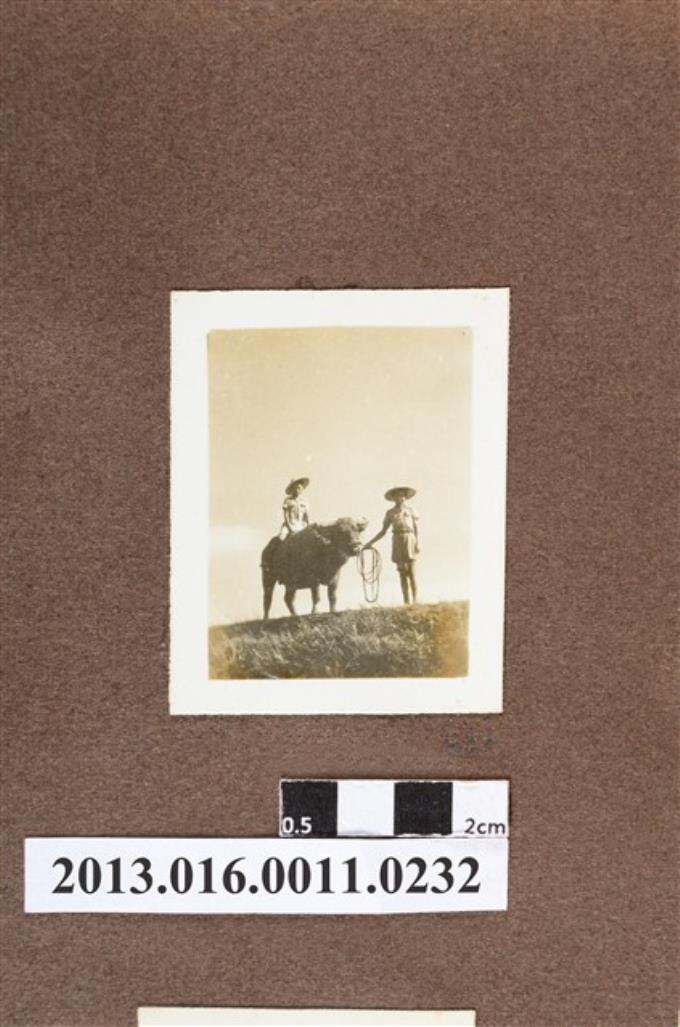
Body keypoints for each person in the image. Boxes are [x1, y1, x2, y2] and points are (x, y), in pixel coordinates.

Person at [364, 486, 419, 604]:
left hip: (410, 538)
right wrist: (370, 543)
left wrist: (417, 543)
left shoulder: (411, 510)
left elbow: (416, 528)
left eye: (402, 495)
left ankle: (415, 601)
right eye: (398, 496)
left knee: (412, 572)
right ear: (394, 498)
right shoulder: (390, 513)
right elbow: (383, 531)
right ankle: (406, 601)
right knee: (402, 572)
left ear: (405, 497)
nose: (401, 498)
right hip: (397, 540)